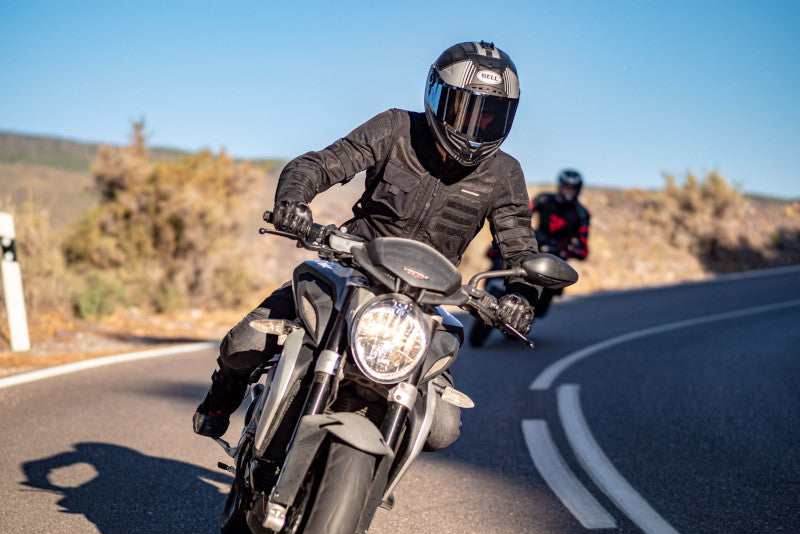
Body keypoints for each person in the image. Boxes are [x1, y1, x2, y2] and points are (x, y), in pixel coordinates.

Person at [192, 41, 540, 450]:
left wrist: (520, 295)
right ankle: (225, 392)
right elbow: (318, 164)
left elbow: (522, 251)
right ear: (436, 96)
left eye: (490, 117)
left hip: (424, 301)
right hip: (351, 266)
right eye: (466, 109)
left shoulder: (503, 173)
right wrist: (293, 202)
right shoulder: (396, 128)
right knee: (245, 343)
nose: (475, 127)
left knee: (441, 428)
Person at [529, 168, 590, 316]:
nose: (568, 191)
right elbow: (522, 213)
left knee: (542, 306)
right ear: (560, 186)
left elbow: (583, 247)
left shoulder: (581, 213)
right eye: (566, 187)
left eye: (572, 189)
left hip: (557, 255)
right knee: (497, 248)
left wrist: (569, 250)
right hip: (535, 243)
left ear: (578, 190)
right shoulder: (543, 199)